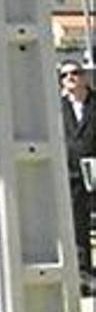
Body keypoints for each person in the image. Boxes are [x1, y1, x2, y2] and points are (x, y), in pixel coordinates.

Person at [58, 60, 95, 286]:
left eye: (75, 73)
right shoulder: (56, 106)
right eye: (65, 75)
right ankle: (83, 272)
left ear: (84, 77)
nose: (71, 77)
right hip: (71, 173)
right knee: (78, 223)